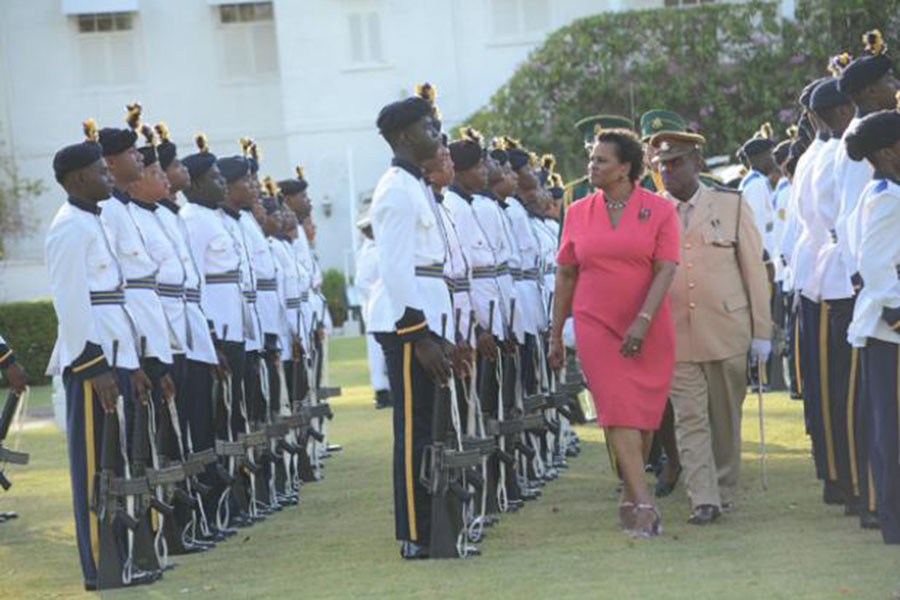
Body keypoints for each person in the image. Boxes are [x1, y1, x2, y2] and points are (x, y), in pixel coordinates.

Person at [549, 128, 679, 539]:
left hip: (649, 324)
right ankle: (644, 501)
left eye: (601, 160)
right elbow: (566, 274)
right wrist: (555, 333)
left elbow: (666, 268)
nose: (592, 166)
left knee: (643, 415)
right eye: (591, 159)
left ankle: (628, 493)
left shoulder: (660, 210)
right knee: (618, 409)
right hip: (596, 325)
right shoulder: (577, 211)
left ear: (625, 168)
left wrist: (643, 319)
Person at [45, 137, 156, 590]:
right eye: (101, 171)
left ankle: (123, 558)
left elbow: (114, 303)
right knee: (96, 470)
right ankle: (100, 566)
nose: (110, 176)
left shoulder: (95, 220)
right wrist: (94, 366)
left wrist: (132, 364)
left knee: (119, 463)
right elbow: (71, 303)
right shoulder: (68, 227)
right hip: (94, 365)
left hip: (116, 358)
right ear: (77, 179)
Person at [651, 129, 771, 524]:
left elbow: (753, 270)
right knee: (689, 418)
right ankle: (703, 498)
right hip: (675, 333)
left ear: (697, 164)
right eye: (662, 165)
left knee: (725, 418)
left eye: (676, 163)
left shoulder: (731, 204)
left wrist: (762, 332)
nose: (668, 172)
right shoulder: (652, 211)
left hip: (726, 329)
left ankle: (722, 485)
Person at [368, 95, 451, 559]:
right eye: (427, 127)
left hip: (428, 316)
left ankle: (434, 523)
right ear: (404, 136)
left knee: (432, 427)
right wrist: (417, 335)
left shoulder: (415, 183)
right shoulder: (396, 189)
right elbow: (396, 268)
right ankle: (415, 532)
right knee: (414, 430)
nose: (436, 133)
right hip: (408, 326)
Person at [838, 29, 898, 528]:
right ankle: (891, 516)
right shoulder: (884, 198)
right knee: (889, 429)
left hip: (886, 324)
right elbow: (876, 265)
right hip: (889, 327)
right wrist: (896, 315)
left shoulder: (886, 191)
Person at [806, 75, 862, 515]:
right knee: (844, 390)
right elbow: (837, 219)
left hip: (837, 272)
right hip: (843, 277)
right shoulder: (838, 152)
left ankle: (843, 477)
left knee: (841, 387)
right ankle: (847, 479)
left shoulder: (830, 150)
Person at [355, 211, 392, 409]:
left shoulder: (383, 246)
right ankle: (381, 392)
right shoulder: (369, 252)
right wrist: (379, 296)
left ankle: (389, 389)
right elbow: (362, 283)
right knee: (377, 354)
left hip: (388, 307)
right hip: (375, 308)